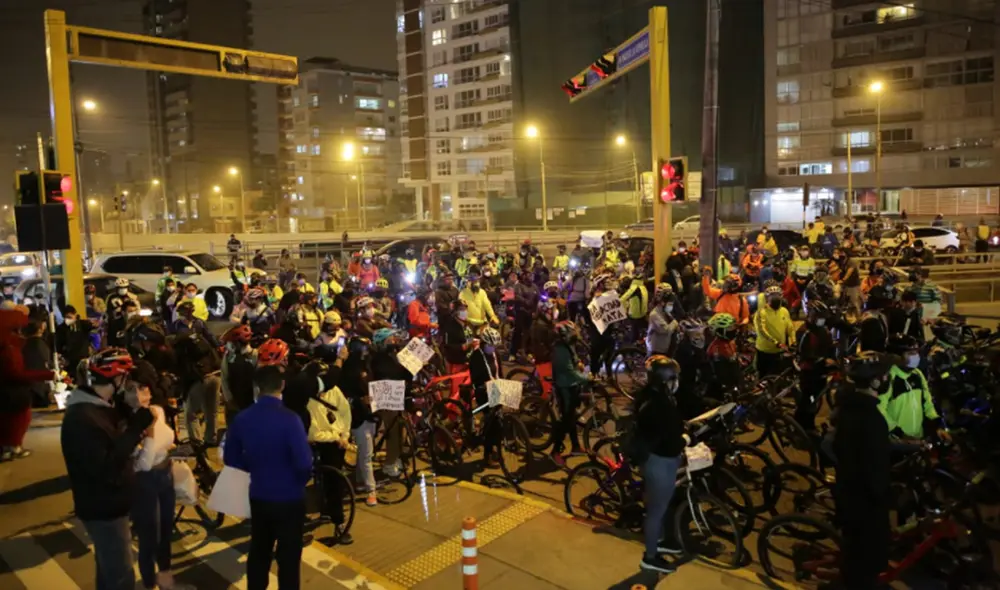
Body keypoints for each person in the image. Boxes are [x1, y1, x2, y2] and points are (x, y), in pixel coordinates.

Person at [61, 349, 153, 590]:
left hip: (111, 503)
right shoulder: (82, 418)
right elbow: (106, 466)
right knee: (121, 577)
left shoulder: (101, 407)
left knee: (108, 570)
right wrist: (135, 429)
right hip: (104, 508)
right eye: (126, 380)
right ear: (117, 379)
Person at [225, 363, 312, 590]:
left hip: (259, 494)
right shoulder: (291, 419)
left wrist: (254, 467)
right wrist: (298, 482)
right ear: (282, 386)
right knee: (289, 556)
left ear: (256, 387)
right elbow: (304, 463)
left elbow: (230, 458)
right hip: (290, 497)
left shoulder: (242, 419)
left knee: (260, 550)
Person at [831, 351, 892, 590]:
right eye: (885, 375)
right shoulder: (869, 419)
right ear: (876, 381)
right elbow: (871, 468)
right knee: (862, 562)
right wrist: (885, 495)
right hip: (863, 503)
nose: (888, 379)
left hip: (851, 496)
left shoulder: (849, 408)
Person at [127, 381, 188, 590]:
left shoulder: (157, 411)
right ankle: (149, 584)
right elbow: (143, 464)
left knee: (165, 531)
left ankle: (165, 580)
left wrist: (160, 444)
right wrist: (151, 435)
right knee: (149, 537)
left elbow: (167, 441)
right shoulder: (128, 422)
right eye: (129, 390)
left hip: (165, 474)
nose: (137, 394)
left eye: (141, 388)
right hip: (145, 482)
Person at [634, 355, 685, 574]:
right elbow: (669, 437)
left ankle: (662, 541)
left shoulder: (652, 397)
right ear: (665, 381)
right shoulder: (659, 405)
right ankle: (650, 556)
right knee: (656, 511)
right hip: (660, 462)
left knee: (662, 506)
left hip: (659, 460)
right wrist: (684, 440)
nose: (676, 383)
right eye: (673, 379)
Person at [0, 309, 55, 460]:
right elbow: (16, 374)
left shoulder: (11, 346)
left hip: (9, 390)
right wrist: (48, 375)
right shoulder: (10, 349)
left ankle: (7, 448)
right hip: (13, 391)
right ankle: (12, 447)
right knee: (18, 419)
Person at [879, 335, 943, 441]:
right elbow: (880, 410)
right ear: (896, 356)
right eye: (910, 353)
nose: (915, 356)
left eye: (916, 352)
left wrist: (936, 426)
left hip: (918, 439)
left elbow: (927, 403)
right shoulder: (889, 377)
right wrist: (898, 433)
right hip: (897, 441)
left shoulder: (917, 374)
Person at [550, 321, 589, 465]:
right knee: (566, 420)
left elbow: (574, 358)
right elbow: (569, 372)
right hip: (564, 387)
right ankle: (555, 451)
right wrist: (586, 379)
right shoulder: (559, 350)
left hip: (572, 385)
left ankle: (576, 446)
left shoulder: (568, 345)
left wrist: (579, 362)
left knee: (572, 416)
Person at [795, 301, 835, 431]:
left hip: (820, 372)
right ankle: (802, 428)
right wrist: (823, 360)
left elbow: (829, 347)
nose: (822, 320)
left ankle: (807, 425)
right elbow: (805, 355)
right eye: (819, 318)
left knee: (815, 399)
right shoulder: (804, 332)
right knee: (808, 401)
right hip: (809, 373)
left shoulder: (823, 331)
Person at [754, 284, 794, 377]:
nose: (775, 298)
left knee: (778, 376)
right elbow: (762, 331)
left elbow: (790, 328)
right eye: (772, 296)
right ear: (767, 298)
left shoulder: (784, 311)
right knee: (763, 376)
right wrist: (776, 342)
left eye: (777, 296)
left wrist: (793, 341)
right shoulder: (761, 312)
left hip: (779, 351)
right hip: (764, 350)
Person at [647, 283, 679, 356]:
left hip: (664, 347)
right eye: (670, 303)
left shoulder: (665, 312)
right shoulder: (654, 314)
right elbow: (666, 330)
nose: (671, 305)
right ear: (662, 302)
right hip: (657, 350)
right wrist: (674, 322)